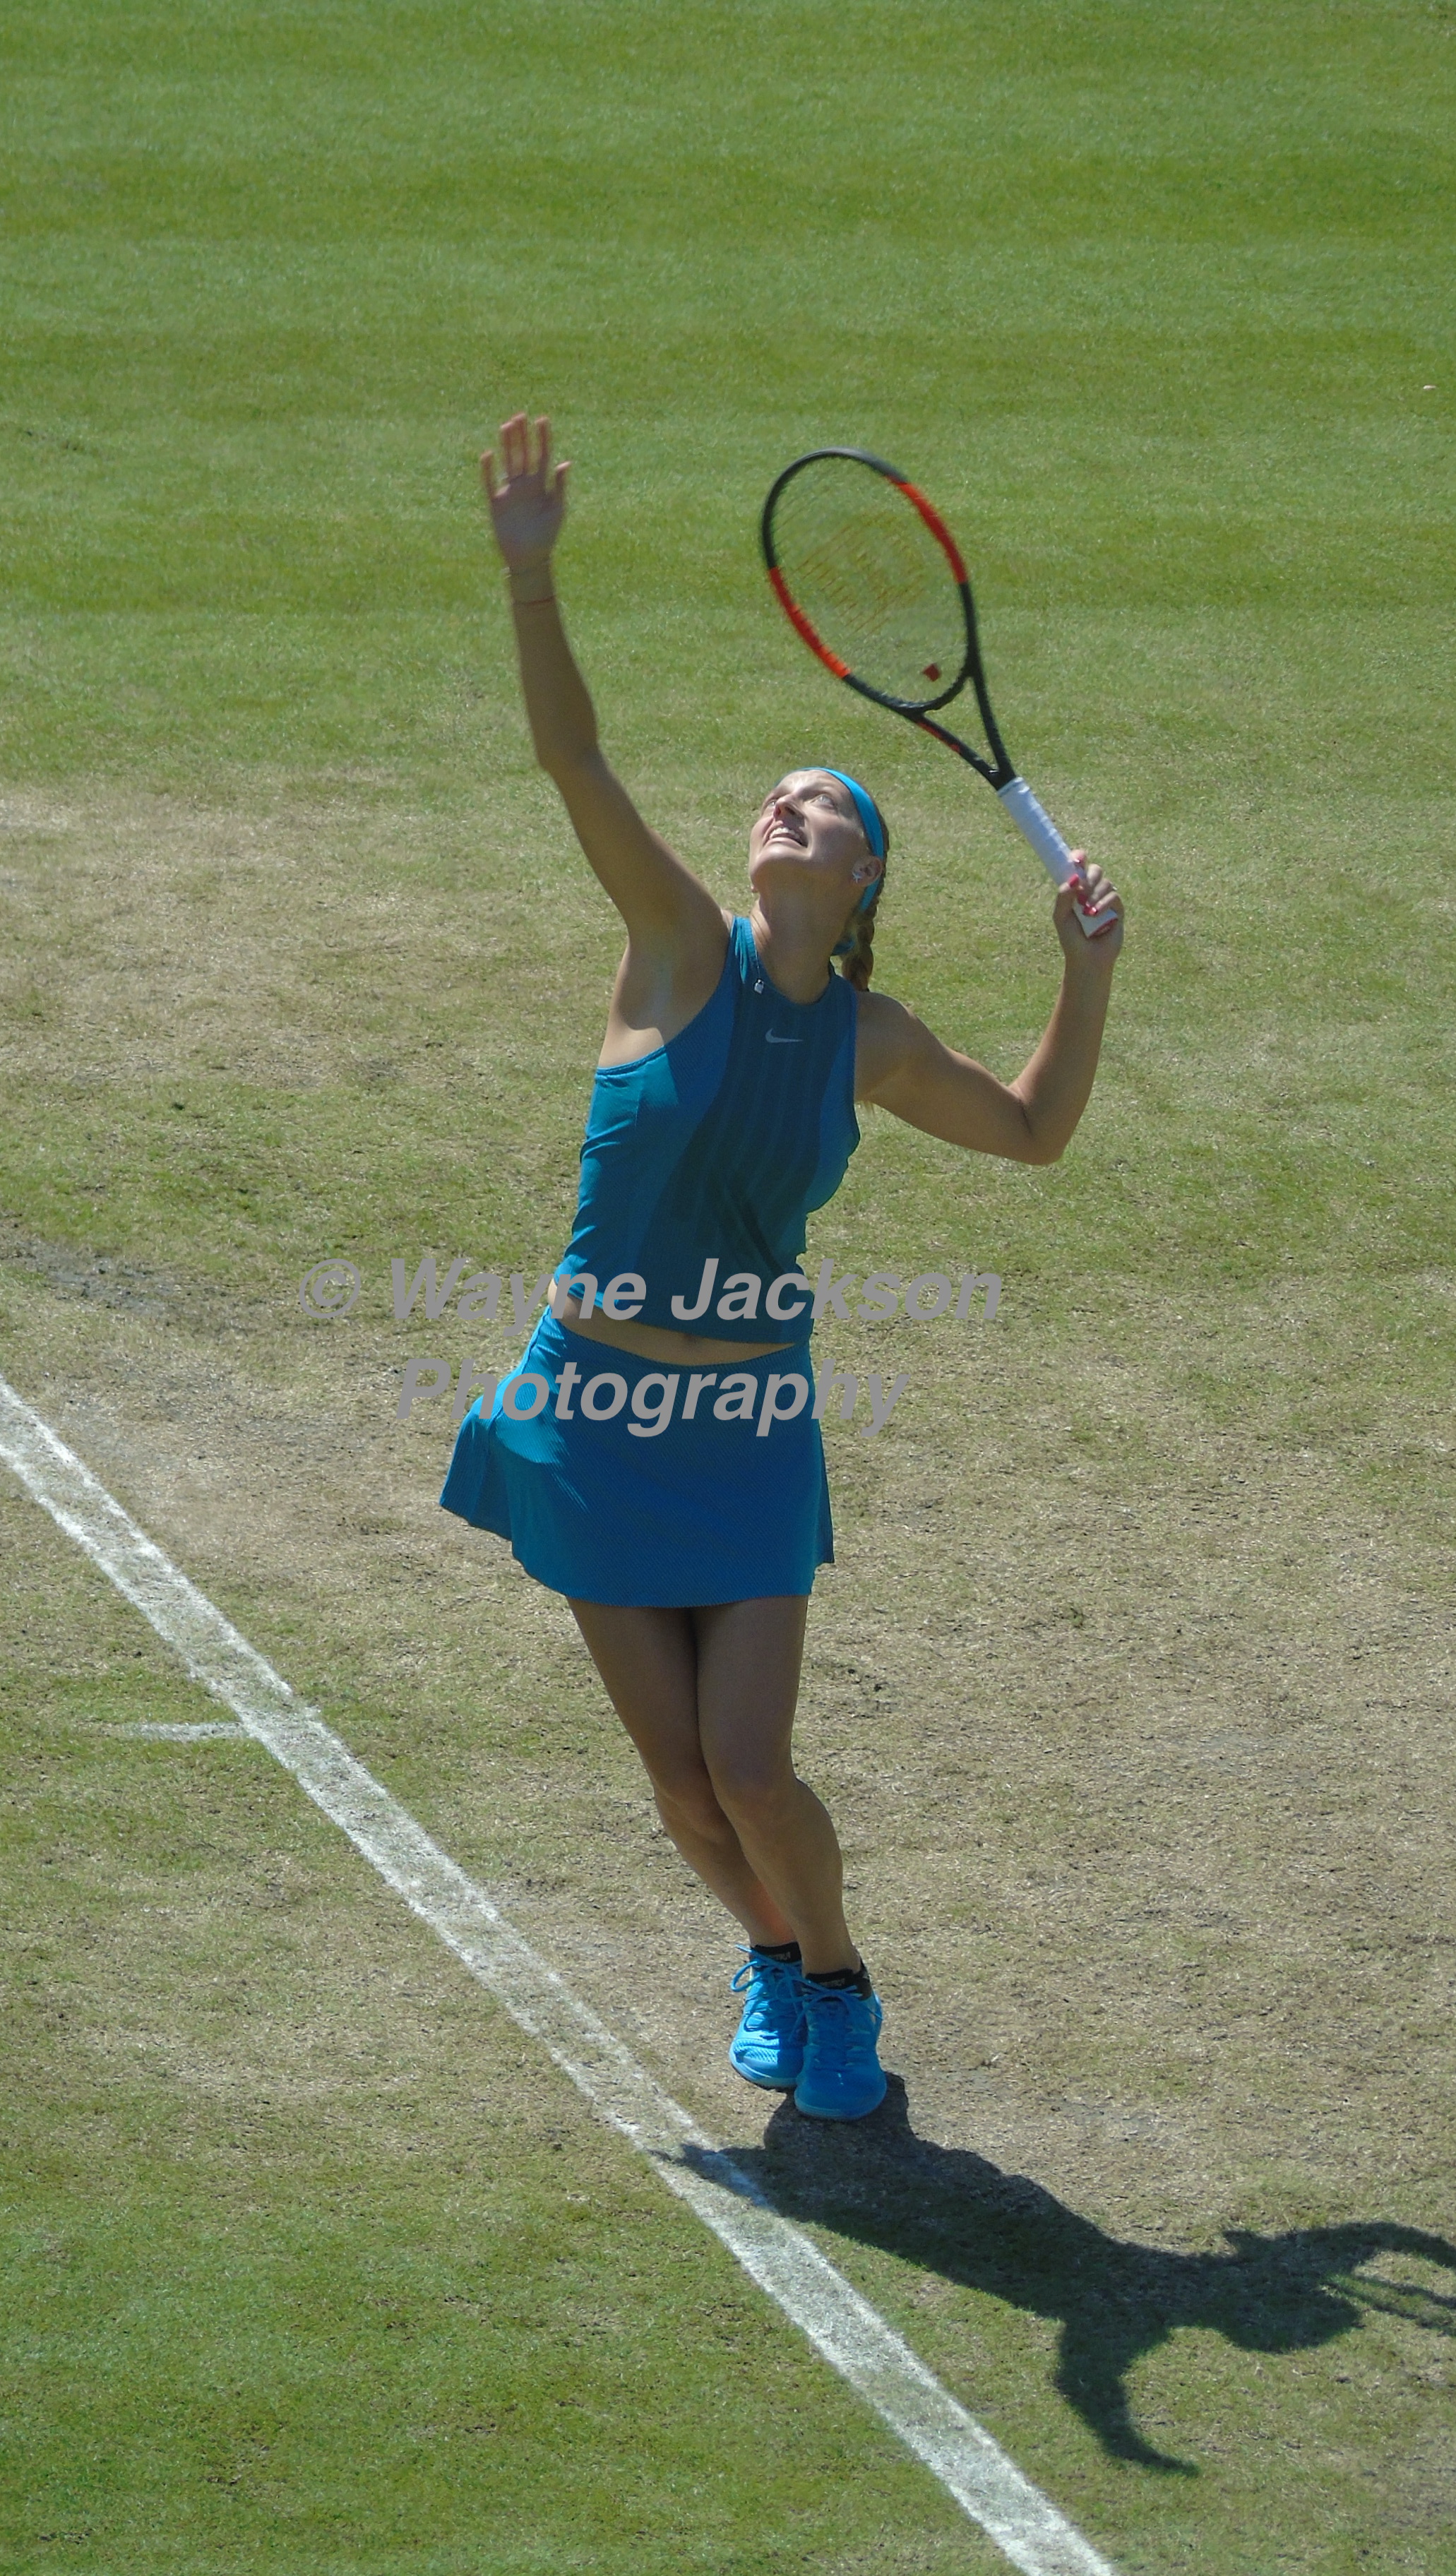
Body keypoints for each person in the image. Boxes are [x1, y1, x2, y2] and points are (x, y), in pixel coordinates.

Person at [441, 413, 1123, 2121]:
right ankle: (767, 1956)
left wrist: (1085, 966)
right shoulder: (676, 950)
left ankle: (839, 1988)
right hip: (585, 1416)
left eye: (825, 805)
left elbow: (1035, 1133)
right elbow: (576, 766)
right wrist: (531, 579)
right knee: (680, 1789)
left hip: (746, 1433)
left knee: (752, 1762)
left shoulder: (874, 1040)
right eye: (779, 793)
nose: (787, 804)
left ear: (864, 878)